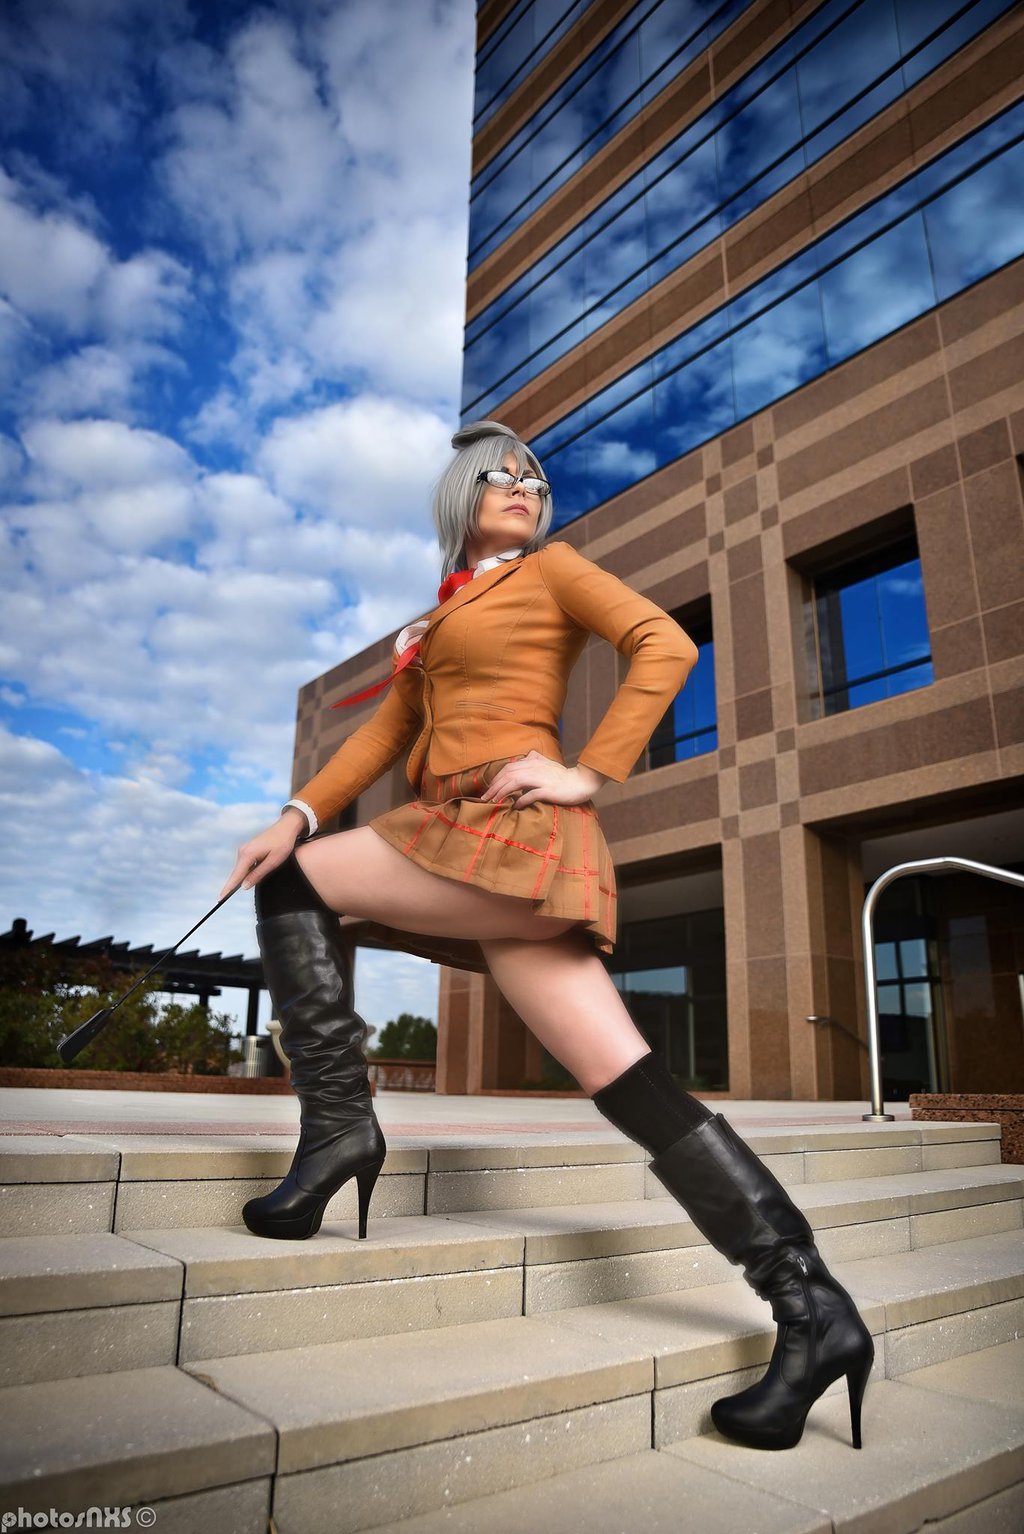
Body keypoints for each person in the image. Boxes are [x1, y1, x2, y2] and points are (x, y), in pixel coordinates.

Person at [218, 419, 873, 1452]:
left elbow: (664, 644)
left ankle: (339, 1126)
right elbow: (386, 735)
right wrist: (295, 812)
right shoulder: (442, 615)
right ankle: (814, 1308)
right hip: (475, 836)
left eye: (533, 476)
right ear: (460, 497)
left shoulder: (553, 569)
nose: (523, 486)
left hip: (511, 829)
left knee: (296, 886)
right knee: (634, 1086)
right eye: (500, 476)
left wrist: (586, 772)